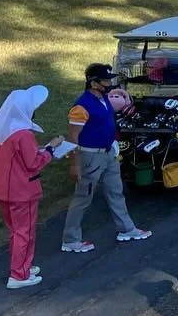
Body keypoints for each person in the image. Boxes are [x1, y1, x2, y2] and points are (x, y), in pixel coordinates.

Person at [61, 64, 151, 253]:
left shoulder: (103, 99)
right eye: (105, 80)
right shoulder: (81, 106)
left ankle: (126, 229)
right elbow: (72, 138)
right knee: (83, 198)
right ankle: (70, 239)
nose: (109, 83)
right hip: (90, 157)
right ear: (94, 83)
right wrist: (75, 164)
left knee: (115, 191)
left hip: (109, 152)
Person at [0, 85, 66, 289]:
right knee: (25, 232)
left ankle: (22, 265)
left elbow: (19, 158)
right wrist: (50, 149)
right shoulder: (23, 134)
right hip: (23, 191)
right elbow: (33, 163)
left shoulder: (3, 130)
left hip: (3, 189)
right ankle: (19, 274)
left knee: (15, 231)